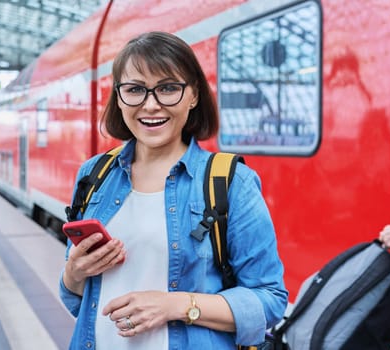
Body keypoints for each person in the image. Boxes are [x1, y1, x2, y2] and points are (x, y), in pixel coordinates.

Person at [59, 31, 288, 349]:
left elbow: (270, 299)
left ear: (194, 94)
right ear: (119, 97)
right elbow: (78, 298)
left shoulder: (230, 182)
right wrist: (74, 272)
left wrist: (175, 305)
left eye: (168, 88)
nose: (150, 105)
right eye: (135, 90)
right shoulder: (94, 174)